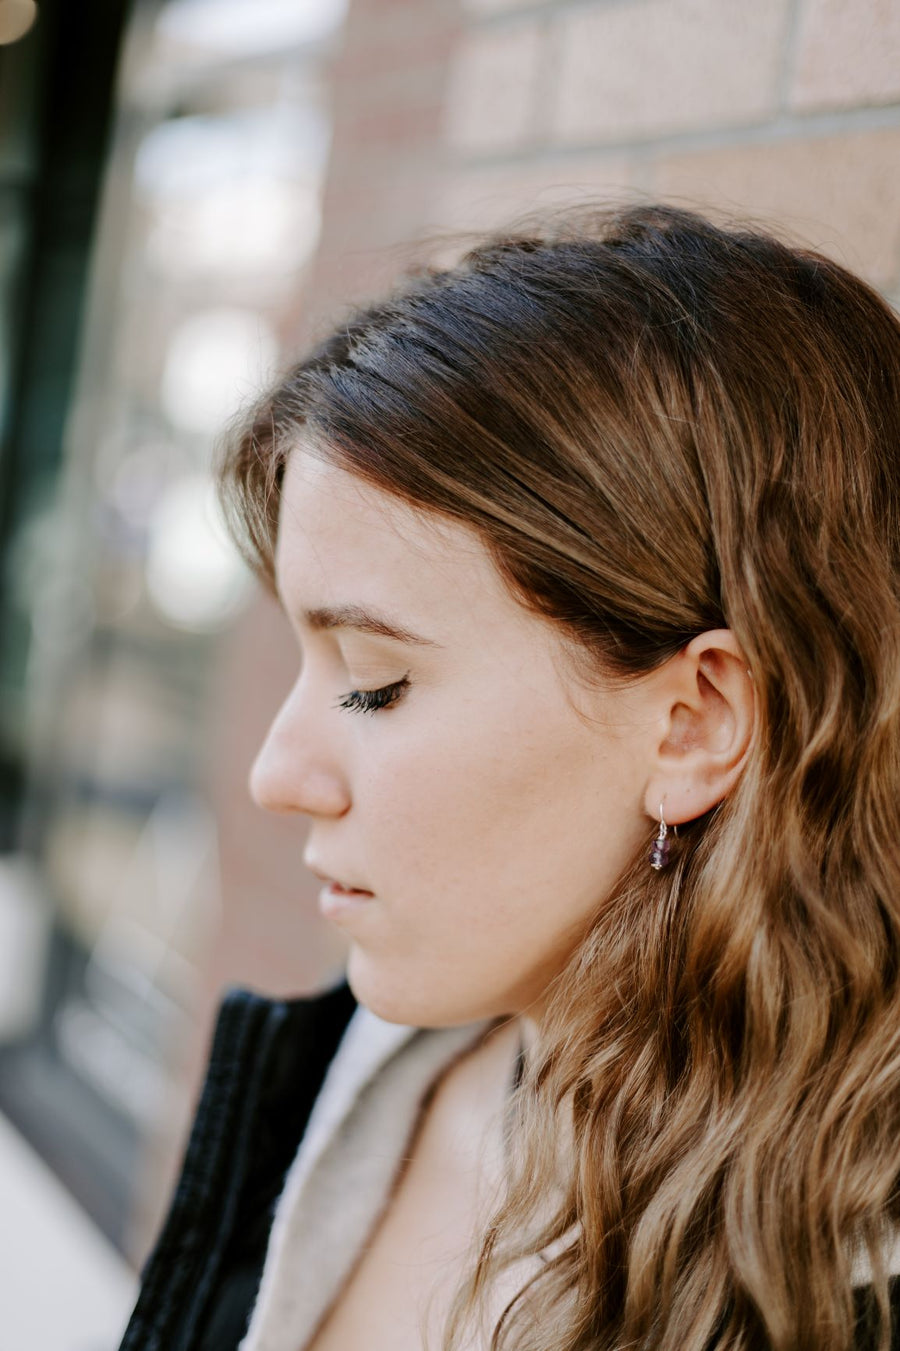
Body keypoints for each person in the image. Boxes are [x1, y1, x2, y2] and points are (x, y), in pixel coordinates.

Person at [117, 202, 900, 1351]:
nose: (278, 773)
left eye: (376, 680)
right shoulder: (338, 1084)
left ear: (691, 722)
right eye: (303, 657)